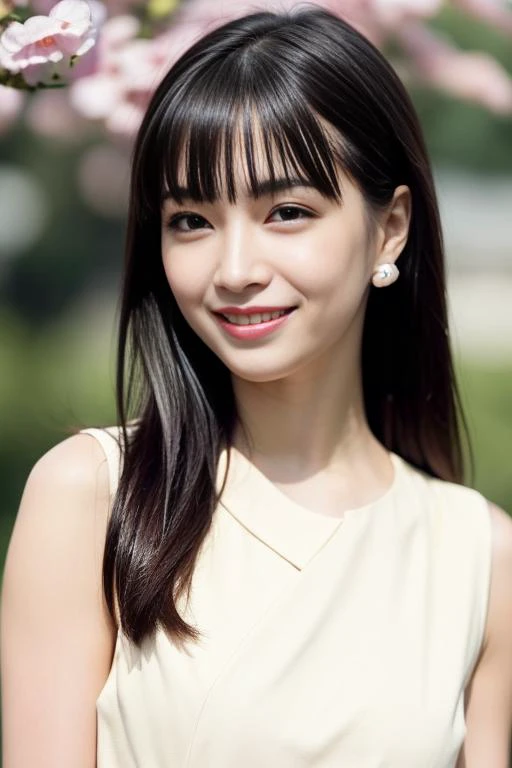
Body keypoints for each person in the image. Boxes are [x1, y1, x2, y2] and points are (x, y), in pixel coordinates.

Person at [2, 7, 512, 767]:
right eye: (191, 220)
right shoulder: (92, 497)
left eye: (287, 212)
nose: (235, 268)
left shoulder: (481, 555)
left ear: (390, 227)